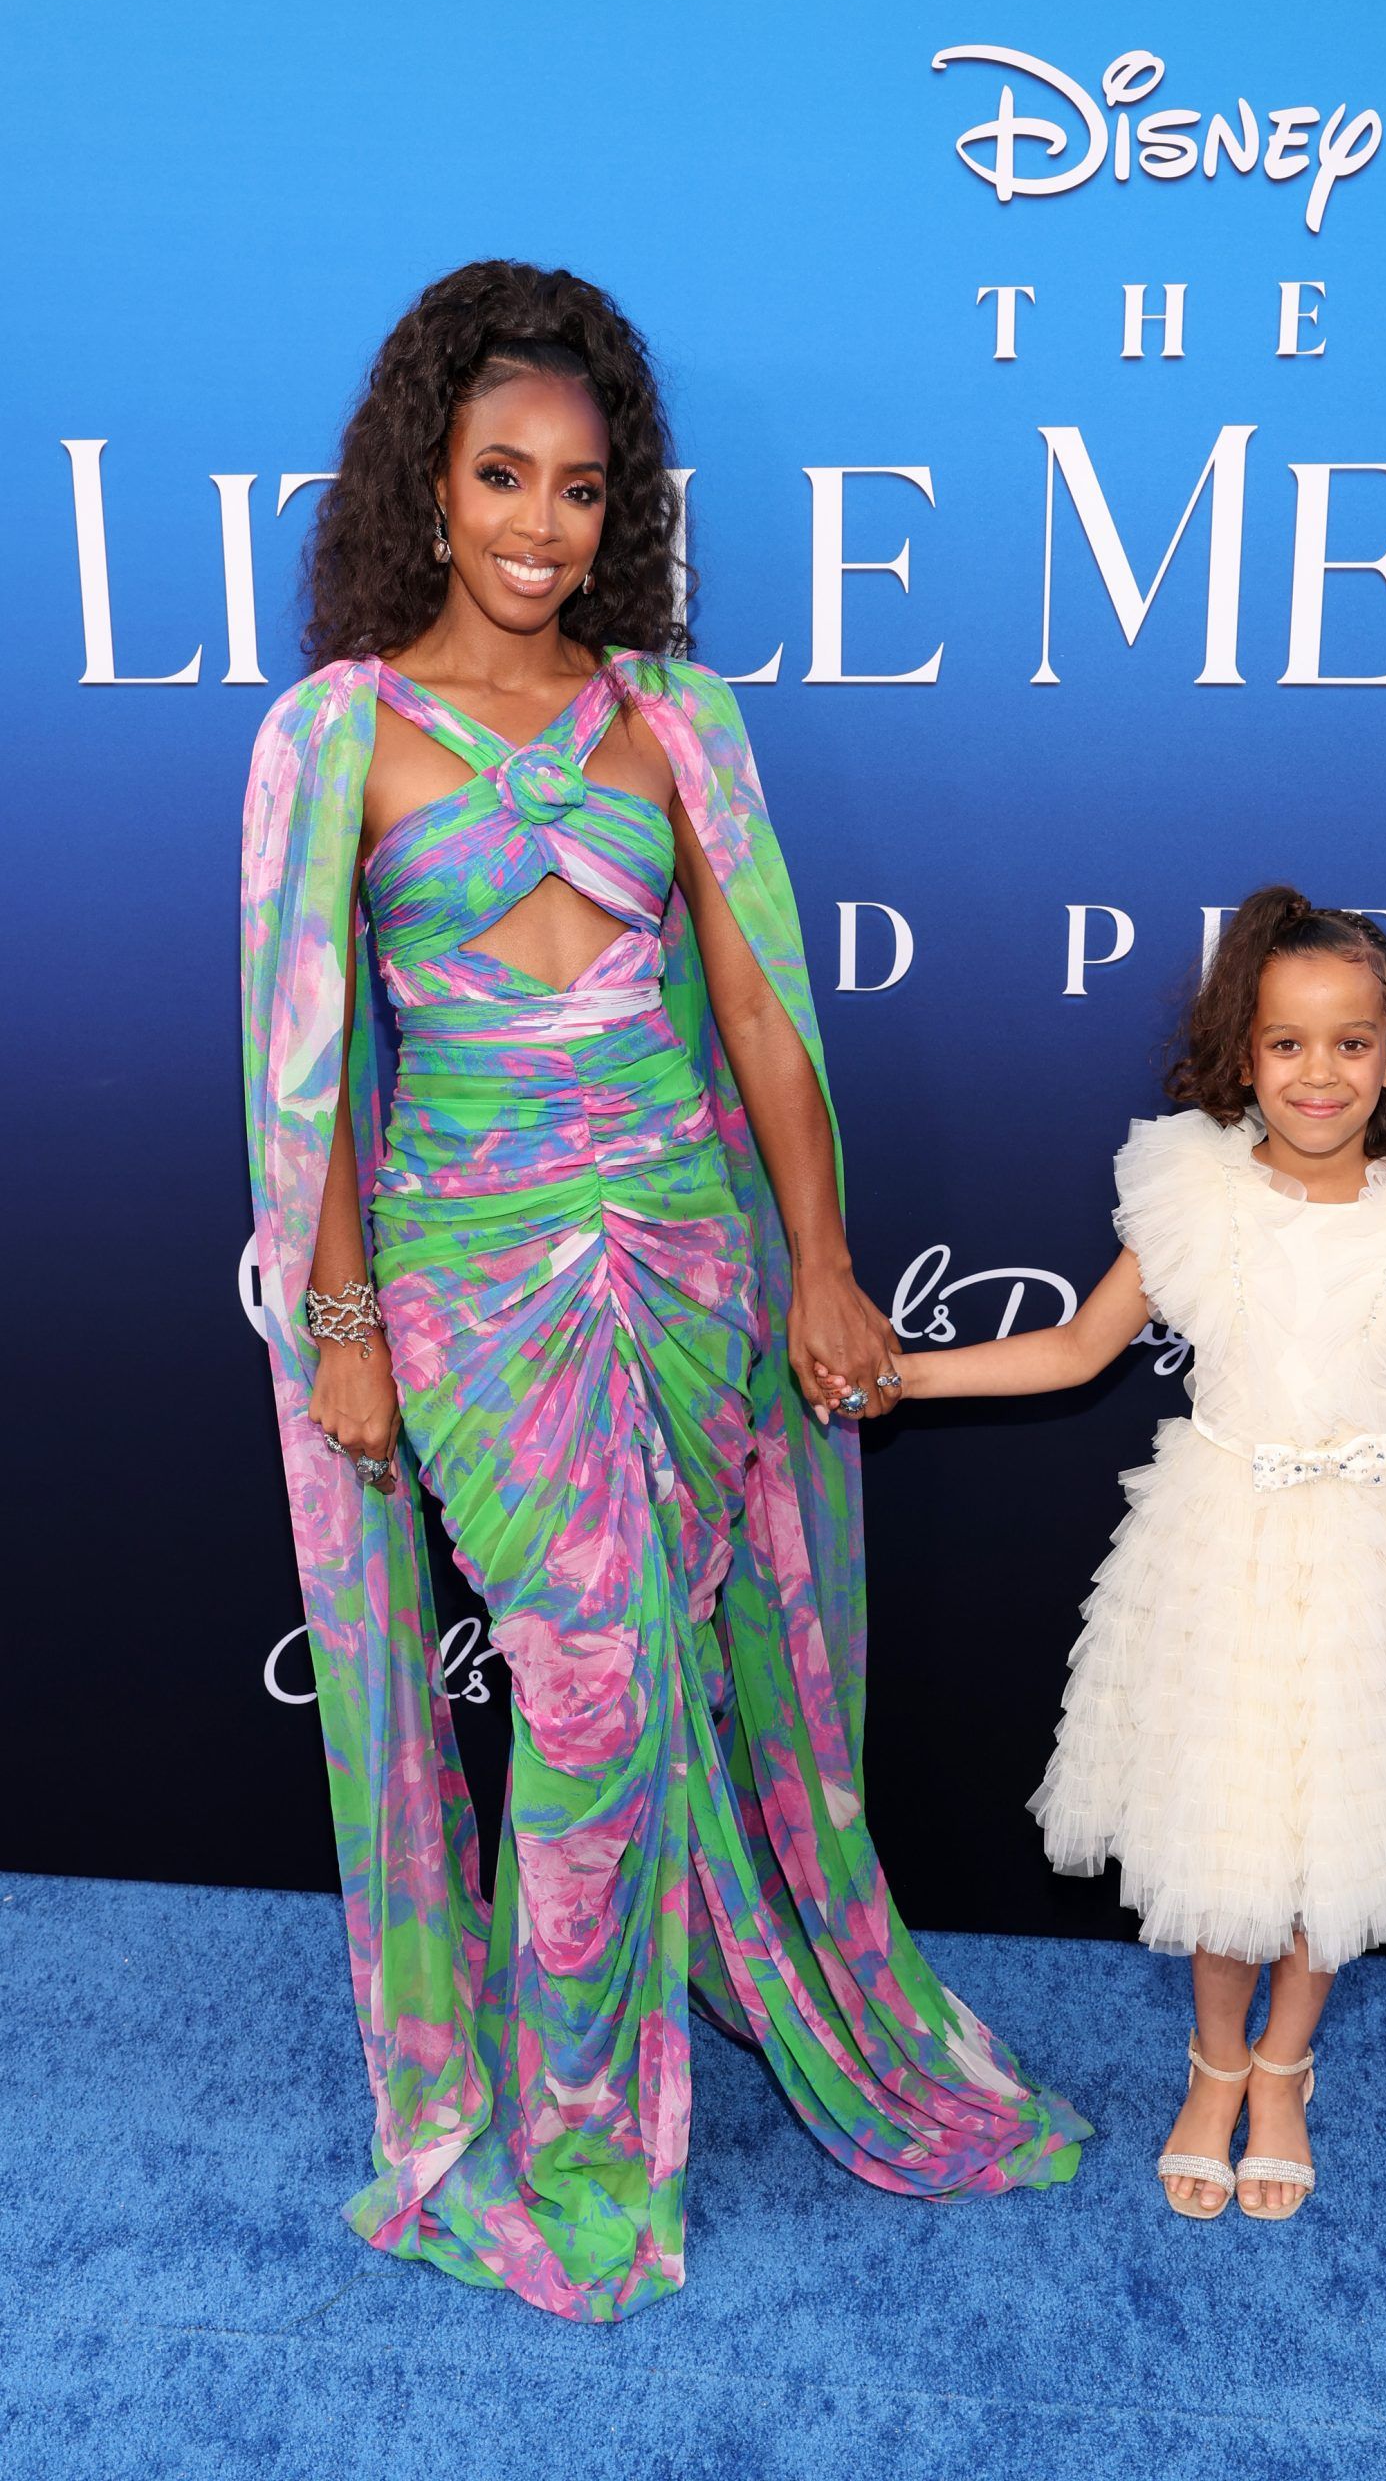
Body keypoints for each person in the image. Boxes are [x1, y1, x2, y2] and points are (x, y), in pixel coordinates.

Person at [240, 259, 1088, 2322]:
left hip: (688, 1253)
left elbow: (764, 1013)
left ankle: (663, 2055)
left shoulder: (674, 718)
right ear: (427, 484)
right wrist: (343, 1327)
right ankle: (573, 2138)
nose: (541, 525)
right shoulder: (334, 732)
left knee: (662, 1679)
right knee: (592, 1676)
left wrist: (823, 1265)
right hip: (469, 1272)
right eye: (501, 475)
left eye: (582, 486)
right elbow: (303, 1067)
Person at [823, 887, 1386, 2222]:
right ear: (1243, 1056)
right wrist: (900, 1378)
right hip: (1219, 1548)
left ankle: (1284, 2069)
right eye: (1285, 1043)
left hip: (1378, 1554)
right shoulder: (1195, 1192)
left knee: (1339, 1836)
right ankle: (1215, 2066)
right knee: (1225, 1837)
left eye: (1348, 1043)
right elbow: (1074, 1348)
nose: (1317, 1073)